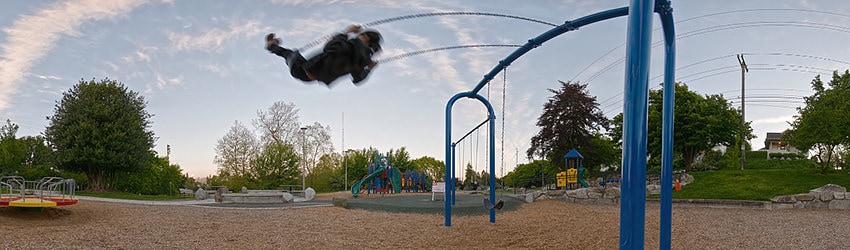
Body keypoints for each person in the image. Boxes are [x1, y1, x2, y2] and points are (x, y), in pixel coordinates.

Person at [265, 25, 382, 86]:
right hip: (312, 77)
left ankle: (271, 46)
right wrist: (369, 69)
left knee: (290, 54)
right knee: (292, 55)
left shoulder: (354, 45)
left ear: (366, 38)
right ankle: (272, 46)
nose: (357, 36)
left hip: (303, 71)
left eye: (361, 35)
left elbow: (330, 47)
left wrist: (346, 32)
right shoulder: (364, 60)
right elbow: (357, 79)